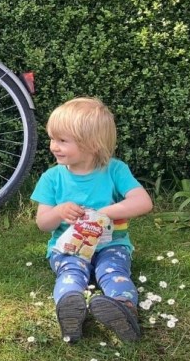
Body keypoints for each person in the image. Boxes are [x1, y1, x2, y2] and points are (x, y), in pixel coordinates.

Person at [31, 97, 153, 344]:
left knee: (114, 271)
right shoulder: (52, 178)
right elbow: (43, 223)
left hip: (111, 245)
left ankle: (124, 308)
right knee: (70, 272)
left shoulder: (115, 170)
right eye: (52, 138)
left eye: (62, 140)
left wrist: (106, 212)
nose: (54, 146)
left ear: (92, 144)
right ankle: (70, 309)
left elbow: (143, 202)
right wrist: (59, 212)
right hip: (69, 248)